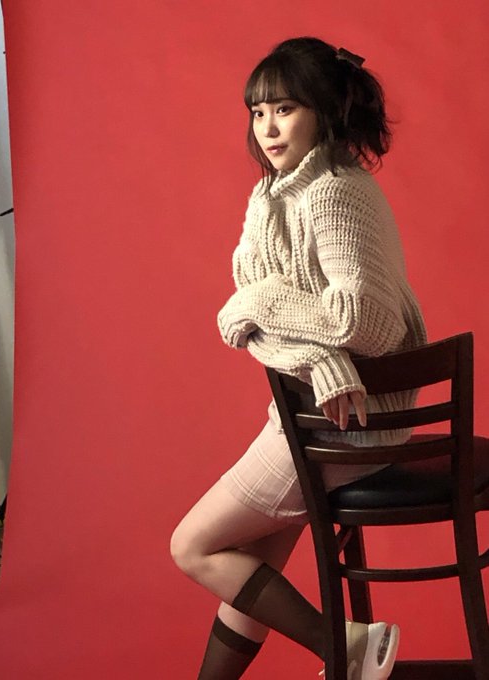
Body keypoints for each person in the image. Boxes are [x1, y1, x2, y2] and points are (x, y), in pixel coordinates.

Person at [170, 36, 427, 680]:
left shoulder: (335, 192)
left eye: (284, 109)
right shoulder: (271, 197)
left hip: (350, 422)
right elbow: (244, 323)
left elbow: (364, 323)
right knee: (254, 566)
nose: (267, 127)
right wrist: (317, 358)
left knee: (193, 546)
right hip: (317, 406)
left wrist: (260, 301)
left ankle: (347, 648)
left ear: (323, 110)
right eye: (258, 113)